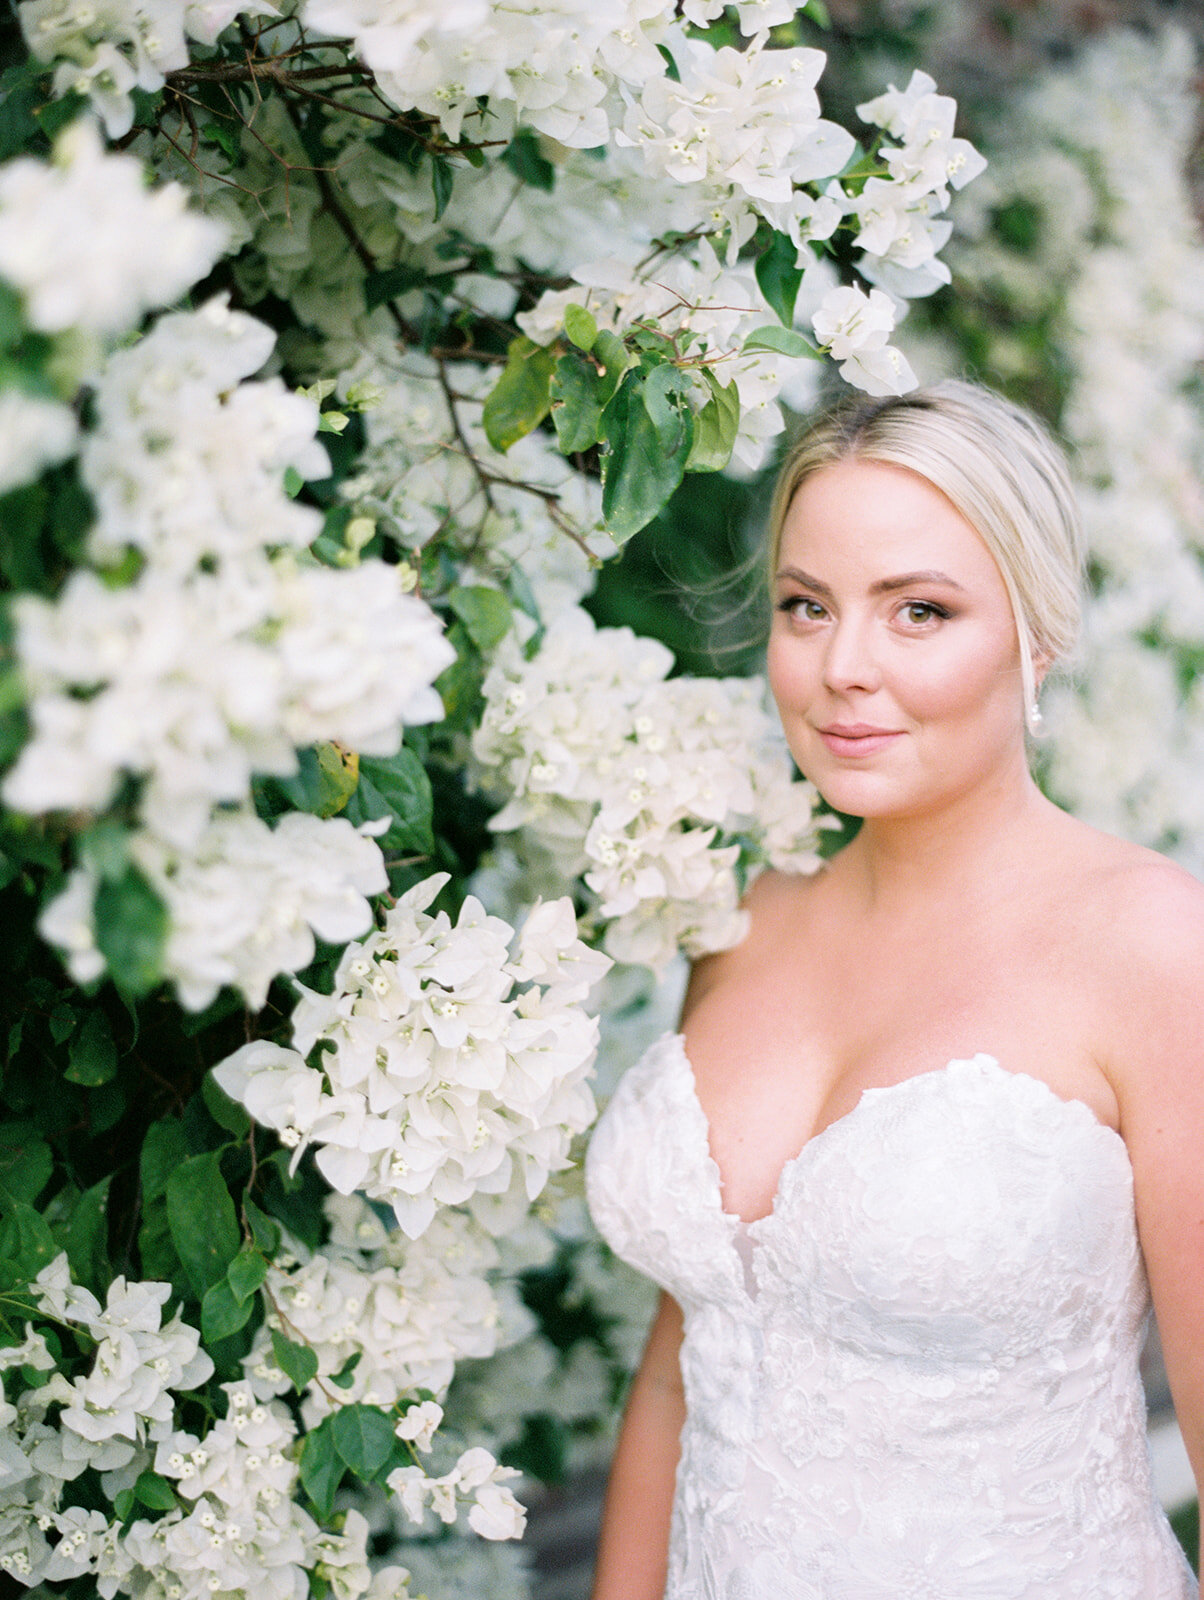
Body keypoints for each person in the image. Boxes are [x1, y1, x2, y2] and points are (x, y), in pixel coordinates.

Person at [584, 379, 1204, 1599]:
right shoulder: (745, 918)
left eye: (918, 611)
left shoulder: (1151, 945)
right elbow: (686, 1364)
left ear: (1036, 633)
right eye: (806, 607)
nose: (842, 669)